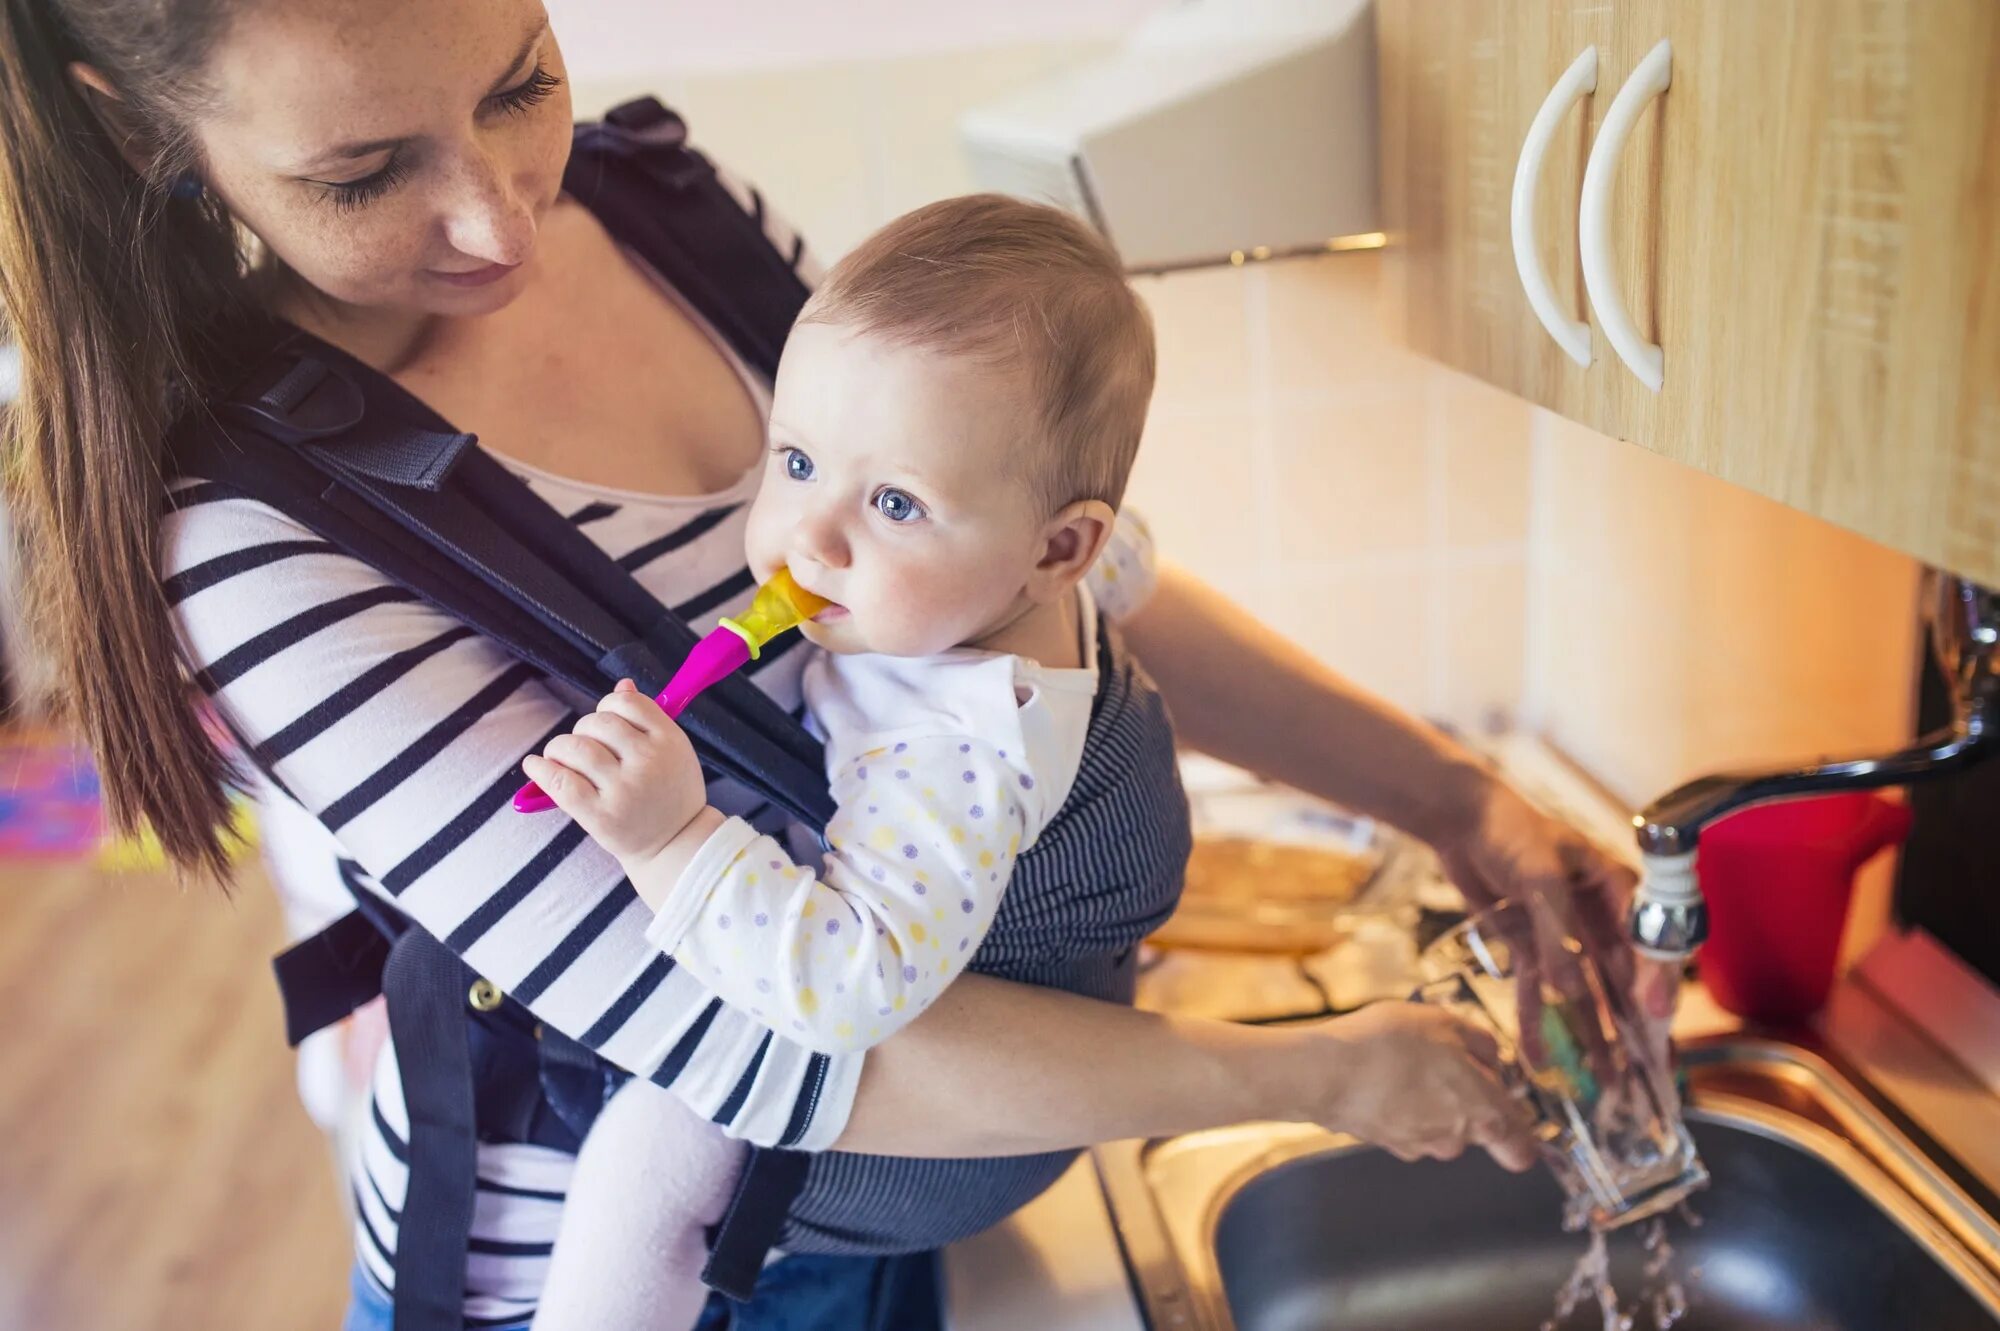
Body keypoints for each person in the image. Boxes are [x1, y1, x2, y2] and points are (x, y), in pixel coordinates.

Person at [0, 1, 1666, 1325]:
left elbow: (1010, 580)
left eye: (520, 82)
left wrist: (1458, 801)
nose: (502, 216)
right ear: (143, 126)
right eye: (365, 173)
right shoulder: (250, 540)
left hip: (889, 1206)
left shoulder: (665, 206)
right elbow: (768, 1046)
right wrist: (1313, 1069)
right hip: (631, 1275)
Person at [523, 192, 1185, 1330]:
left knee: (654, 1144)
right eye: (793, 458)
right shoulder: (1056, 573)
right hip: (1022, 1078)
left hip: (936, 1153)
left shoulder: (946, 742)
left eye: (893, 502)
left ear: (1052, 544)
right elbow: (1130, 565)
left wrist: (669, 841)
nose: (808, 540)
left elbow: (844, 985)